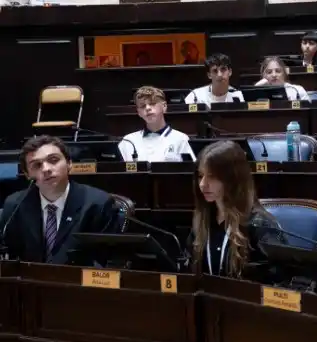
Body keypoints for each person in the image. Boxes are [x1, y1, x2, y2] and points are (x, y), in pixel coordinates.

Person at [0, 136, 121, 264]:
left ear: (69, 164)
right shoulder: (15, 205)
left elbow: (107, 261)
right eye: (36, 165)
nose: (46, 169)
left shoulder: (98, 204)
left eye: (53, 160)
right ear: (27, 174)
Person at [188, 140, 284, 277]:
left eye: (212, 177)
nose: (203, 185)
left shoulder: (260, 224)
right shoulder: (201, 220)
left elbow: (275, 279)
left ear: (233, 179)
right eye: (200, 176)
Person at [120, 86, 196, 162]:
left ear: (164, 106)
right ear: (139, 112)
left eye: (152, 103)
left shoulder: (181, 139)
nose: (147, 108)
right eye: (142, 106)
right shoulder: (128, 141)